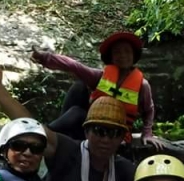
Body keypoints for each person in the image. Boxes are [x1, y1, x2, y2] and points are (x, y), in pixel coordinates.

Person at [0, 51, 136, 181]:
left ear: (122, 137)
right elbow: (31, 126)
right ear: (86, 131)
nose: (106, 139)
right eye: (99, 131)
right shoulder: (68, 151)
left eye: (113, 133)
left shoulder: (124, 169)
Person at [31, 31, 161, 149]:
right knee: (79, 86)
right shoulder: (100, 76)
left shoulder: (142, 85)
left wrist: (147, 133)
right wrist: (44, 58)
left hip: (116, 134)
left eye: (127, 51)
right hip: (92, 128)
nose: (123, 55)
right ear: (111, 57)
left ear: (134, 55)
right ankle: (47, 134)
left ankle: (44, 132)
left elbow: (148, 110)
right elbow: (74, 66)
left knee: (77, 113)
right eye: (117, 52)